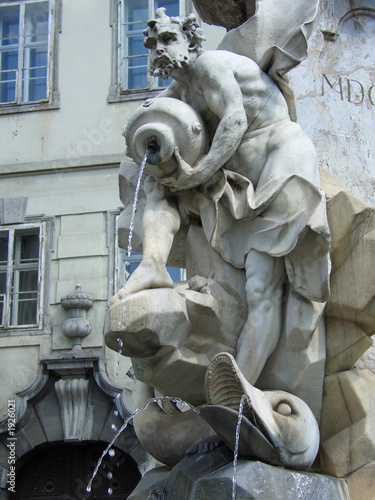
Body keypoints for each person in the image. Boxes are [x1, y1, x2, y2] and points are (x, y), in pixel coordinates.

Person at [115, 8, 330, 387]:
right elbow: (145, 124)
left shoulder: (210, 65)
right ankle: (152, 263)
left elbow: (234, 120)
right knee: (154, 183)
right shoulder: (180, 91)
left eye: (167, 39)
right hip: (236, 180)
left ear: (190, 41)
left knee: (262, 287)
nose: (159, 52)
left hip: (280, 164)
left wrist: (197, 173)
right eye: (151, 46)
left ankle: (241, 389)